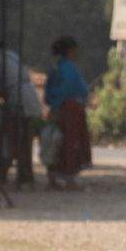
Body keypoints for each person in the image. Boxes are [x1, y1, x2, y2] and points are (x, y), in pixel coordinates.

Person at [0, 29, 40, 188]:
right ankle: (26, 176)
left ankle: (3, 174)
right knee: (25, 140)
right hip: (30, 97)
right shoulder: (10, 55)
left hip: (19, 100)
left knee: (12, 139)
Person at [43, 34, 93, 187]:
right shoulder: (68, 68)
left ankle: (53, 177)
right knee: (71, 143)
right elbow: (68, 89)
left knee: (55, 142)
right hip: (70, 110)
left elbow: (49, 92)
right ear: (70, 51)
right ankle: (69, 179)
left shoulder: (57, 67)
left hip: (60, 109)